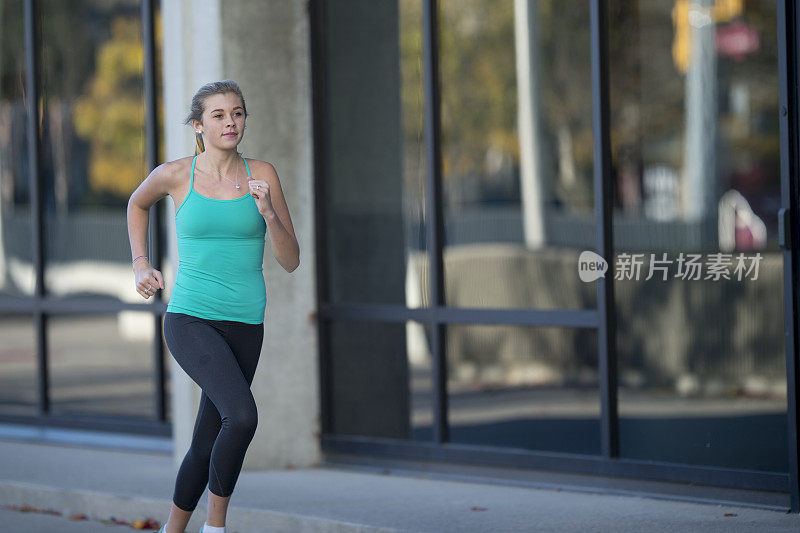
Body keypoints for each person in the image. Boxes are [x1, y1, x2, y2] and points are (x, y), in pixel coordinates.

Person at [126, 79, 299, 533]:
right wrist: (141, 264)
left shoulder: (263, 174)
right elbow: (136, 203)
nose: (231, 122)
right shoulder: (176, 174)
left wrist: (269, 215)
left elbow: (291, 259)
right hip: (191, 319)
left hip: (246, 322)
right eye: (219, 115)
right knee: (241, 417)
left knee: (207, 439)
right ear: (199, 124)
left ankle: (172, 529)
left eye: (237, 113)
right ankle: (215, 526)